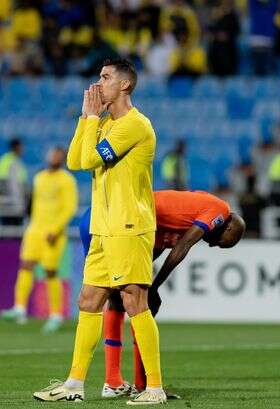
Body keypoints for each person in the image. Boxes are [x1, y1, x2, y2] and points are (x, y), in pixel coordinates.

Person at [33, 58, 165, 405]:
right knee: (88, 300)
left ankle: (154, 388)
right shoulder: (103, 123)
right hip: (103, 229)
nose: (98, 84)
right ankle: (74, 384)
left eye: (105, 77)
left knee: (135, 301)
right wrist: (86, 118)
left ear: (125, 85)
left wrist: (92, 119)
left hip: (129, 227)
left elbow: (90, 160)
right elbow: (75, 161)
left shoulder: (135, 125)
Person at [77, 190, 245, 397]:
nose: (211, 244)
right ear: (227, 226)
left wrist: (150, 287)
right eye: (221, 242)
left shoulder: (167, 226)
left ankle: (124, 383)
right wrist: (153, 288)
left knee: (118, 299)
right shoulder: (220, 210)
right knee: (121, 299)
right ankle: (124, 383)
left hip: (106, 219)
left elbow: (148, 261)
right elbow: (182, 248)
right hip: (110, 221)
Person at [0, 146, 78, 333]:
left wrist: (56, 228)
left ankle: (56, 315)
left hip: (53, 234)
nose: (54, 157)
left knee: (50, 272)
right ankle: (19, 308)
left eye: (58, 155)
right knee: (26, 265)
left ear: (63, 159)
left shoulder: (67, 180)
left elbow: (70, 208)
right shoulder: (39, 178)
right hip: (34, 230)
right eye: (52, 154)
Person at [0, 138, 28, 228]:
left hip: (17, 205)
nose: (23, 149)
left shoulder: (17, 162)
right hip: (8, 206)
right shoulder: (6, 162)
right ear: (16, 147)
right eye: (21, 147)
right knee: (9, 233)